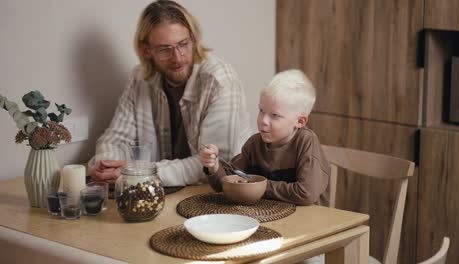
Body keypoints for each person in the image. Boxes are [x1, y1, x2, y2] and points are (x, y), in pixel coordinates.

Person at [90, 0, 252, 186]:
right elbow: (115, 138)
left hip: (217, 190)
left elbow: (218, 162)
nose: (177, 57)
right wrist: (107, 167)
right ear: (146, 50)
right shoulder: (139, 78)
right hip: (164, 189)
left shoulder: (220, 80)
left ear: (194, 39)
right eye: (165, 49)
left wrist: (138, 173)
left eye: (183, 44)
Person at [200, 69, 330, 205]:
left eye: (275, 115)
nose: (263, 120)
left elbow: (305, 194)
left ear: (300, 122)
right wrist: (214, 167)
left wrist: (256, 185)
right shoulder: (254, 144)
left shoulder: (306, 142)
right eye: (261, 111)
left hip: (310, 220)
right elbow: (228, 184)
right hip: (268, 215)